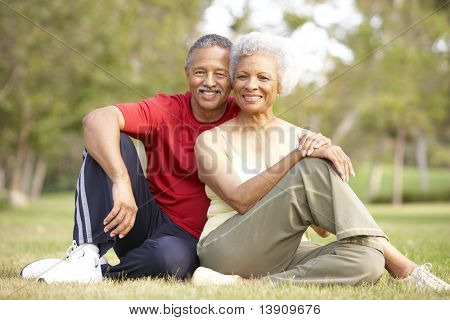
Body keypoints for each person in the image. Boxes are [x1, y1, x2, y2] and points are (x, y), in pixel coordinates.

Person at [20, 34, 330, 283]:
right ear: (187, 75)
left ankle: (97, 273)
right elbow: (96, 119)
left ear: (233, 79)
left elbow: (287, 143)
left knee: (168, 263)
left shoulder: (246, 115)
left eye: (221, 74)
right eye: (200, 72)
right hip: (140, 216)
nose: (209, 81)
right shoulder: (167, 107)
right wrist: (122, 182)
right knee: (108, 139)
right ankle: (85, 252)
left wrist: (326, 148)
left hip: (193, 235)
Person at [193, 32, 449, 291]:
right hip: (226, 247)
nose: (251, 85)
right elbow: (240, 199)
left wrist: (324, 170)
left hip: (288, 250)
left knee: (369, 260)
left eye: (263, 77)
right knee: (311, 166)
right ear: (234, 83)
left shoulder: (302, 138)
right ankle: (404, 268)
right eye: (242, 76)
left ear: (280, 85)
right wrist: (298, 158)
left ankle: (245, 285)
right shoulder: (211, 140)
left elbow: (322, 230)